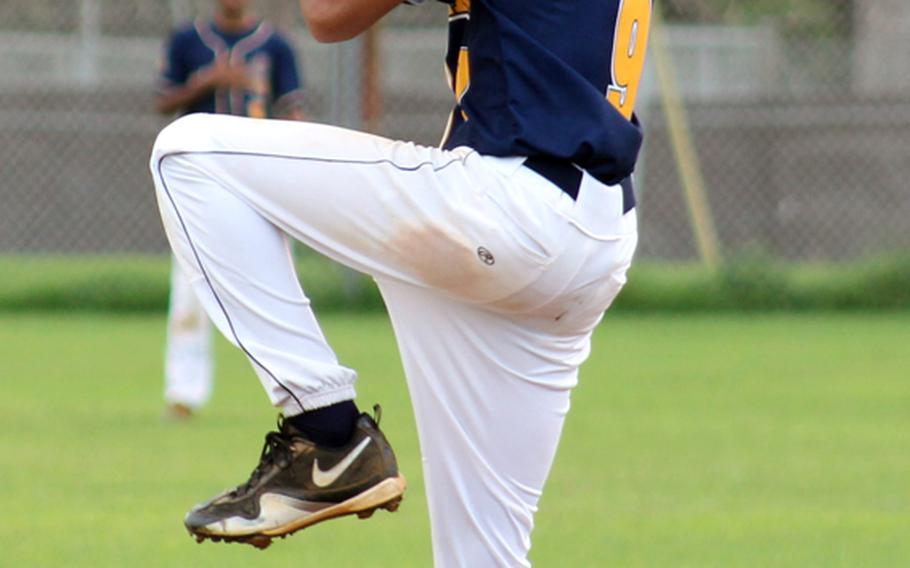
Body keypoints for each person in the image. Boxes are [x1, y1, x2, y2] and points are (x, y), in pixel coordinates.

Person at [150, 0, 652, 564]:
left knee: (188, 156)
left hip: (508, 206)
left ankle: (327, 432)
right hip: (592, 233)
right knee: (482, 556)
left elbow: (328, 14)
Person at [154, 0, 304, 419]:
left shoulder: (274, 44)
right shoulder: (188, 40)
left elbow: (292, 109)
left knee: (281, 287)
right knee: (189, 291)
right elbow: (162, 101)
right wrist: (208, 80)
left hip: (259, 177)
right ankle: (183, 393)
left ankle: (303, 393)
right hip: (199, 178)